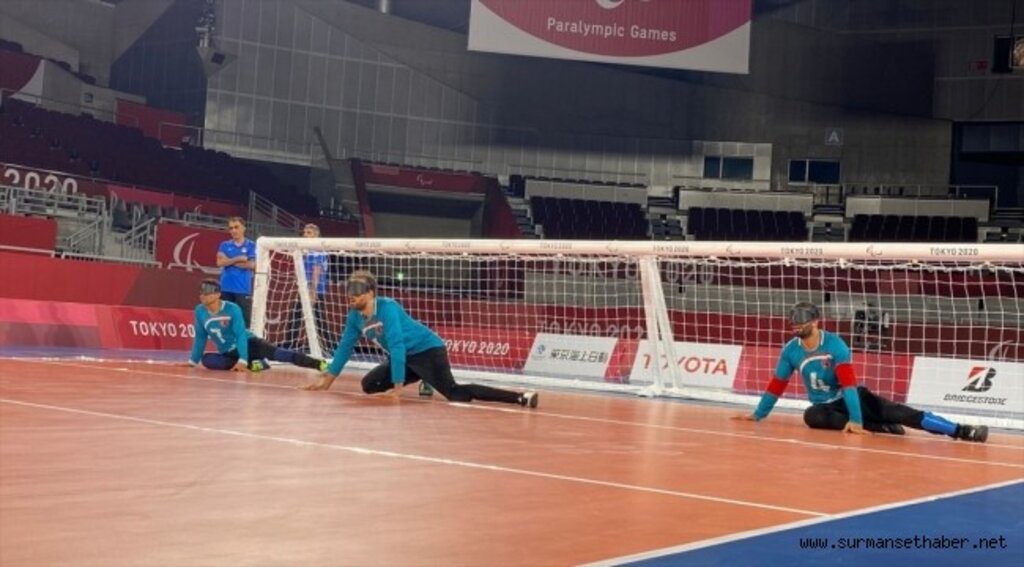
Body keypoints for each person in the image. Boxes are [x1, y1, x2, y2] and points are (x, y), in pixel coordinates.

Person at [734, 301, 988, 443]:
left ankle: (961, 430)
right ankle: (881, 427)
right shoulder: (791, 350)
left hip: (853, 398)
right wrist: (758, 414)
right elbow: (777, 384)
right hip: (825, 408)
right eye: (793, 323)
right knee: (812, 416)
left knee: (900, 412)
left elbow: (849, 386)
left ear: (815, 322)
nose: (795, 326)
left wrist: (855, 419)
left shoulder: (835, 345)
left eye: (801, 322)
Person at [302, 270, 538, 408]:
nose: (350, 297)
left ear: (370, 293)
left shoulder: (388, 307)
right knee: (369, 386)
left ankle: (520, 397)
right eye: (348, 293)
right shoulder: (354, 317)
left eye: (356, 293)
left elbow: (397, 345)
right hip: (405, 358)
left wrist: (397, 388)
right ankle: (421, 377)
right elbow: (345, 347)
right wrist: (328, 380)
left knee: (455, 393)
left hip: (428, 351)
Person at [185, 278, 326, 373]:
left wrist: (242, 360)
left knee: (282, 354)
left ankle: (319, 364)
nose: (203, 296)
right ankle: (256, 364)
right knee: (207, 360)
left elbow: (240, 335)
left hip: (249, 343)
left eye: (207, 293)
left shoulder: (232, 308)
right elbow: (200, 337)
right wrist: (192, 361)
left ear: (217, 294)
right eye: (201, 292)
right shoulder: (200, 310)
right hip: (228, 353)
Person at [285, 224, 338, 352]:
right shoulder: (306, 250)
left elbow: (316, 271)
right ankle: (289, 344)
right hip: (305, 289)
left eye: (308, 232)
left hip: (315, 290)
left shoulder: (318, 251)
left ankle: (332, 348)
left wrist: (312, 292)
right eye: (304, 232)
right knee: (297, 316)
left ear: (316, 234)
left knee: (319, 320)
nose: (305, 235)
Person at [216, 216, 255, 326]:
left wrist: (228, 260)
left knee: (244, 324)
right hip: (225, 288)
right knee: (224, 323)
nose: (233, 230)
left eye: (236, 227)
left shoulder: (251, 245)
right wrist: (238, 258)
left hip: (243, 290)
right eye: (231, 228)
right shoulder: (224, 245)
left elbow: (252, 265)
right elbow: (219, 262)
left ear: (244, 228)